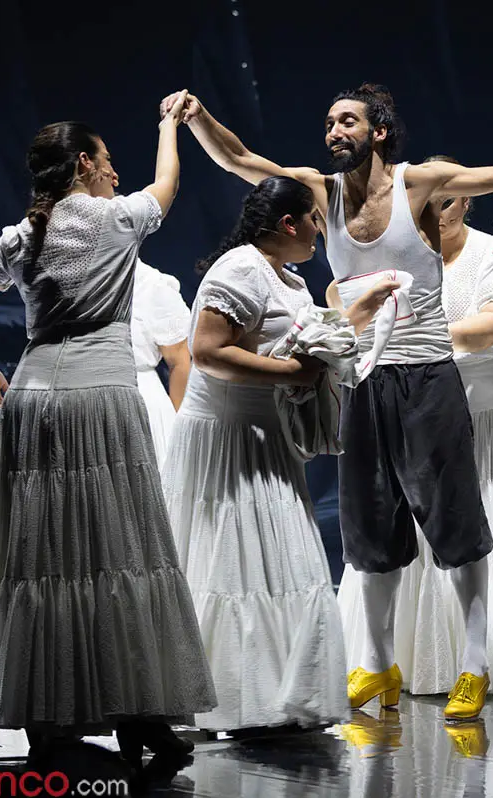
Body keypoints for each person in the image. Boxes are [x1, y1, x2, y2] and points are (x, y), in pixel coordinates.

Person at [163, 82, 493, 721]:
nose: (334, 131)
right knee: (370, 525)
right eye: (329, 122)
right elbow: (240, 160)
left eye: (347, 121)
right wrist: (198, 119)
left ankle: (472, 667)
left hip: (425, 372)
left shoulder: (419, 185)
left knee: (452, 519)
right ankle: (379, 666)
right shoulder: (321, 192)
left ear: (379, 132)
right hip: (361, 377)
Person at [0, 93, 217, 771]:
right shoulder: (117, 219)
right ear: (84, 163)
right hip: (102, 400)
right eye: (107, 160)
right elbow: (167, 185)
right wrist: (169, 125)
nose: (116, 171)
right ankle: (143, 715)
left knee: (40, 562)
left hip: (33, 399)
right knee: (121, 557)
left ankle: (46, 722)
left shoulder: (24, 234)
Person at [334, 155, 493, 699]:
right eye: (424, 203)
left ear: (464, 200)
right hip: (414, 407)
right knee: (390, 530)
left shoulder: (489, 252)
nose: (433, 212)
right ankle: (391, 662)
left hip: (486, 413)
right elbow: (343, 303)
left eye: (445, 202)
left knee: (471, 529)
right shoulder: (395, 251)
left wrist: (416, 342)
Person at [161, 176, 398, 733]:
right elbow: (207, 351)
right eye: (314, 219)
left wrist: (359, 312)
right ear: (288, 224)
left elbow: (304, 338)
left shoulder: (285, 279)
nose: (321, 229)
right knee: (235, 561)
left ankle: (275, 696)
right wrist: (292, 372)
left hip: (265, 436)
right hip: (230, 439)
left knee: (279, 563)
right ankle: (232, 694)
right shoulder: (240, 269)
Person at [130, 259, 192, 470]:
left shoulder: (151, 284)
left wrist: (179, 427)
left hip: (142, 401)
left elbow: (179, 362)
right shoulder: (71, 276)